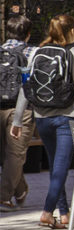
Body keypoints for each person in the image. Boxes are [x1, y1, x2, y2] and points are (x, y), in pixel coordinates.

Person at [10, 13, 74, 228]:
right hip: (69, 117)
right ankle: (47, 210)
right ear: (72, 31)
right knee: (60, 168)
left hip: (42, 117)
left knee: (55, 166)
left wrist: (18, 120)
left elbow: (27, 88)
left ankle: (64, 213)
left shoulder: (38, 52)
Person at [0, 15, 35, 209]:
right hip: (23, 109)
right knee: (15, 154)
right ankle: (5, 196)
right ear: (28, 34)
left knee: (8, 154)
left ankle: (18, 190)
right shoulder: (32, 52)